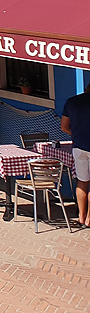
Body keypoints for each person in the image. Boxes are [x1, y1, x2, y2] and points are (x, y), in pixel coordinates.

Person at [61, 90, 90, 227]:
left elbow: (64, 127)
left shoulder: (72, 102)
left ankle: (81, 217)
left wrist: (77, 135)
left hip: (79, 148)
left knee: (82, 182)